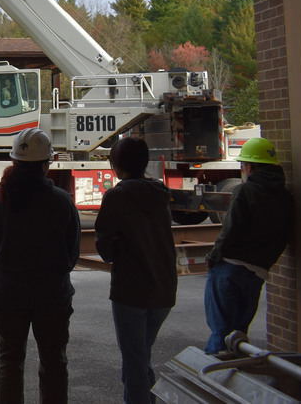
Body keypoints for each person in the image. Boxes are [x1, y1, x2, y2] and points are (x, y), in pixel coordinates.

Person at [0, 127, 80, 404]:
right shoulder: (61, 201)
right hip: (52, 297)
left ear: (14, 161)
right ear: (47, 164)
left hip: (6, 295)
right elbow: (72, 253)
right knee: (54, 363)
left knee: (9, 363)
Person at [94, 137, 177, 404]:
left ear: (116, 165)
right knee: (141, 355)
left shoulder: (116, 196)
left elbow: (105, 249)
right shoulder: (160, 194)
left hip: (131, 292)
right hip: (164, 289)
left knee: (134, 362)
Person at [204, 136, 294, 354]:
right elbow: (283, 236)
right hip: (257, 274)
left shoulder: (245, 192)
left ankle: (214, 382)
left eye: (243, 165)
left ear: (250, 167)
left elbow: (230, 230)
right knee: (238, 336)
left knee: (221, 335)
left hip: (229, 269)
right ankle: (236, 382)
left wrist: (214, 256)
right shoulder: (285, 198)